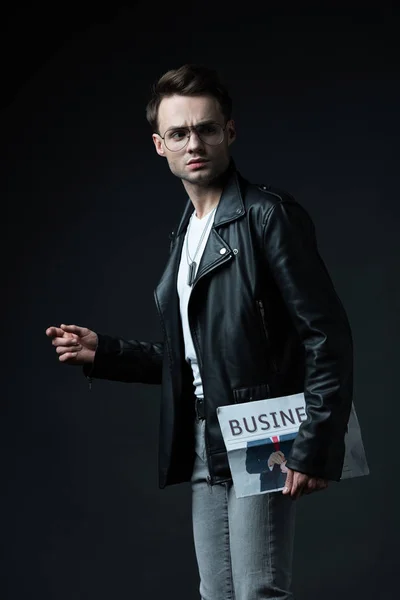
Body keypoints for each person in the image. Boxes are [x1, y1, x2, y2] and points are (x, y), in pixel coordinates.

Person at [46, 64, 353, 599]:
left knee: (257, 590)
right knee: (217, 593)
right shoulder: (186, 235)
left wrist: (314, 445)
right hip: (202, 436)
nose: (195, 143)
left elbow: (326, 335)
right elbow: (199, 356)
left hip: (263, 428)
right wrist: (106, 354)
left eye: (207, 129)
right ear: (159, 145)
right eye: (179, 133)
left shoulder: (267, 216)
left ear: (229, 132)